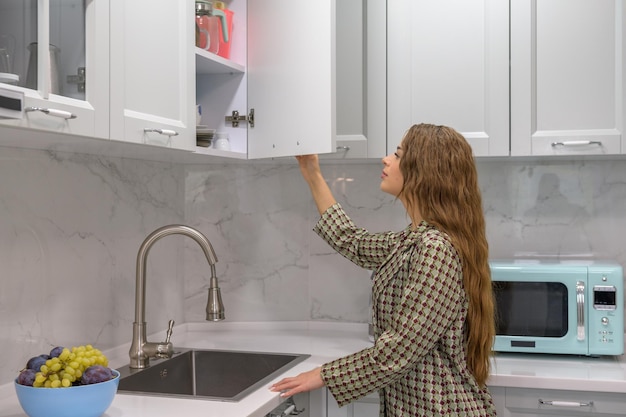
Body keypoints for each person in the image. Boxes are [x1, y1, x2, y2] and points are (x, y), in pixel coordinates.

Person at [270, 123, 497, 416]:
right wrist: (311, 171)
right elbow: (352, 241)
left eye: (398, 155)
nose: (386, 159)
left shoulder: (435, 248)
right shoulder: (414, 239)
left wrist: (323, 375)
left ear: (424, 171)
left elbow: (400, 349)